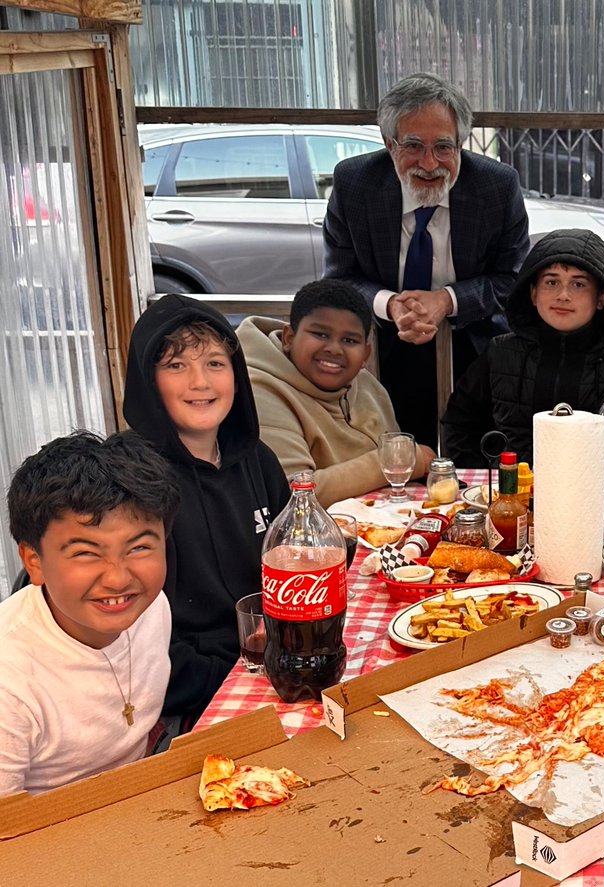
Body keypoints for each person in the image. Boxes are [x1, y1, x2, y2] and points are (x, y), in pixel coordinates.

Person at [323, 71, 531, 448]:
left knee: (476, 462)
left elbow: (514, 278)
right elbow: (339, 279)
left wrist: (446, 301)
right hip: (384, 343)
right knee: (395, 458)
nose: (431, 163)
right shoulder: (355, 183)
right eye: (414, 146)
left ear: (462, 144)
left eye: (445, 147)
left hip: (475, 341)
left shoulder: (497, 186)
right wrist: (391, 306)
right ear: (390, 144)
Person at [124, 294, 291, 729]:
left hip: (269, 658)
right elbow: (135, 643)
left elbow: (293, 562)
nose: (201, 382)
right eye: (176, 366)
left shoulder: (258, 459)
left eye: (216, 363)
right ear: (147, 380)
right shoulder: (129, 483)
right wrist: (235, 676)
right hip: (190, 692)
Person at [0, 431, 180, 795]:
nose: (118, 578)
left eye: (140, 547)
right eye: (85, 552)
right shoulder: (9, 683)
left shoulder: (150, 606)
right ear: (33, 561)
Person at [441, 228, 604, 466]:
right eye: (551, 282)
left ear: (601, 297)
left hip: (601, 495)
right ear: (533, 293)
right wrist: (489, 480)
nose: (563, 295)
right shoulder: (499, 353)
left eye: (578, 285)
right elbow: (459, 425)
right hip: (509, 495)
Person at [237, 279, 437, 507]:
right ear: (289, 338)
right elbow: (294, 493)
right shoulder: (261, 391)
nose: (334, 348)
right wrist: (401, 461)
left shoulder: (368, 385)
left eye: (349, 340)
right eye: (320, 334)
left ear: (366, 354)